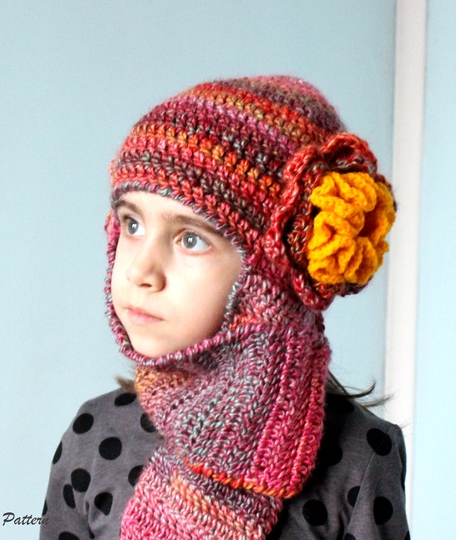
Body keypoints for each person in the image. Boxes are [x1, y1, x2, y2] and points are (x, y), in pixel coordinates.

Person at [40, 76, 409, 540]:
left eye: (190, 239)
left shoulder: (359, 457)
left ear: (269, 278)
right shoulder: (95, 436)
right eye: (132, 224)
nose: (140, 271)